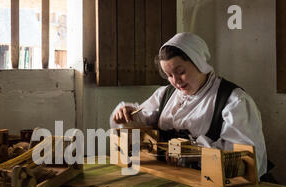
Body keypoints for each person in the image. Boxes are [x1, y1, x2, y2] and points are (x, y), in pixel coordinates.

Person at [110, 32, 268, 178]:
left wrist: (195, 152)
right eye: (169, 75)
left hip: (211, 183)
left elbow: (247, 159)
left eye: (180, 72)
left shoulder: (233, 100)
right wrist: (127, 115)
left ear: (199, 63)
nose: (176, 81)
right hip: (170, 177)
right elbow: (140, 121)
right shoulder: (165, 94)